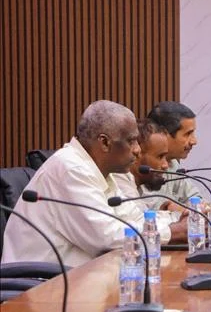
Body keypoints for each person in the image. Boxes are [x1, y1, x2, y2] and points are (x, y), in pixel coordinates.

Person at [1, 100, 172, 267]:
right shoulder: (71, 169)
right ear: (104, 142)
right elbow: (106, 238)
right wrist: (171, 232)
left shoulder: (100, 171)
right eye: (131, 141)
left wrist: (176, 220)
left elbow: (133, 217)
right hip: (41, 280)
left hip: (79, 277)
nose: (137, 150)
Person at [112, 119, 188, 242]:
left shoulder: (138, 185)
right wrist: (183, 216)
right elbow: (143, 224)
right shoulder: (119, 181)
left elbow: (148, 217)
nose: (165, 165)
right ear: (136, 154)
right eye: (160, 156)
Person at [143, 101, 201, 206]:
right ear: (164, 134)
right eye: (188, 134)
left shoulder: (173, 163)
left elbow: (194, 198)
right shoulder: (143, 165)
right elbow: (151, 209)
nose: (194, 141)